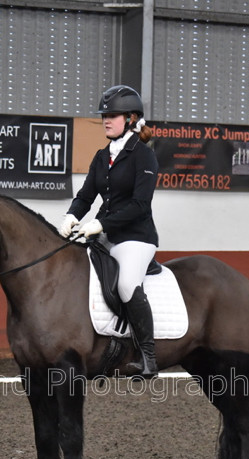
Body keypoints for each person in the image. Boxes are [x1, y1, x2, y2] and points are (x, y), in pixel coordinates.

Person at [59, 85, 159, 377]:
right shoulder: (102, 156)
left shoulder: (144, 156)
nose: (106, 119)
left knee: (127, 285)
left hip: (136, 238)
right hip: (104, 236)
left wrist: (102, 224)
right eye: (104, 115)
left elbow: (140, 205)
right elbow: (86, 196)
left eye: (112, 115)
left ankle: (148, 356)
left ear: (130, 118)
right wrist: (71, 216)